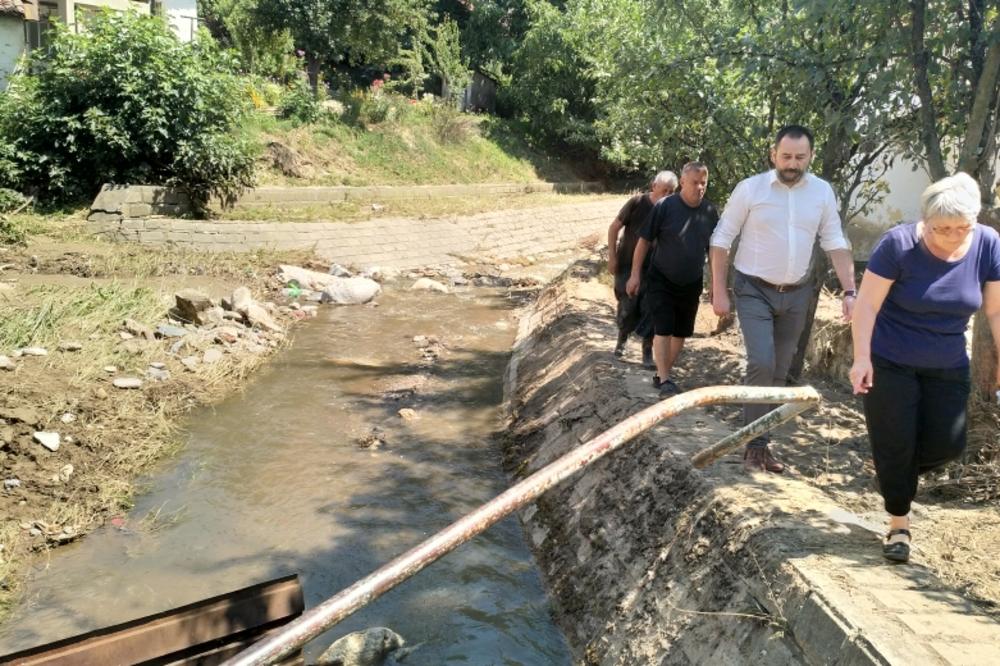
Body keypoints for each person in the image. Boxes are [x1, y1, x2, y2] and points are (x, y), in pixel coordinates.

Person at [849, 173, 1000, 563]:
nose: (951, 236)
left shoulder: (987, 243)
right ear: (926, 221)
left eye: (960, 228)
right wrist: (861, 357)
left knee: (948, 446)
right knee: (897, 445)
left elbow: (996, 310)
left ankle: (892, 468)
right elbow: (866, 305)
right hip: (890, 362)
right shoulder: (898, 244)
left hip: (947, 364)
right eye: (941, 229)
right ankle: (899, 526)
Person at [709, 125, 856, 474]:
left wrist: (850, 291)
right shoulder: (750, 189)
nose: (792, 163)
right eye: (786, 156)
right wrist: (718, 290)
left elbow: (835, 241)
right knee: (761, 361)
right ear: (773, 154)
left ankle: (761, 445)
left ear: (810, 157)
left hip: (796, 293)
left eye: (800, 157)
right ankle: (752, 444)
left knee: (781, 371)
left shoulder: (821, 192)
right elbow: (721, 239)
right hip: (753, 288)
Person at [626, 162, 718, 396]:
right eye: (694, 182)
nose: (699, 187)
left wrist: (717, 284)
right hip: (661, 278)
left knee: (681, 333)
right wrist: (635, 274)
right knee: (664, 328)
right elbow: (644, 240)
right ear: (683, 182)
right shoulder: (666, 206)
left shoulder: (710, 212)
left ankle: (661, 372)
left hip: (692, 281)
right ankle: (666, 380)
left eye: (703, 183)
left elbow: (714, 250)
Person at [608, 171, 678, 366]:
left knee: (650, 310)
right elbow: (614, 228)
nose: (666, 195)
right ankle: (622, 339)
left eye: (670, 192)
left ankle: (647, 351)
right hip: (627, 265)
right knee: (628, 307)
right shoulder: (637, 203)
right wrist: (612, 257)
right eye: (663, 190)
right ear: (653, 186)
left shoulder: (671, 210)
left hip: (654, 269)